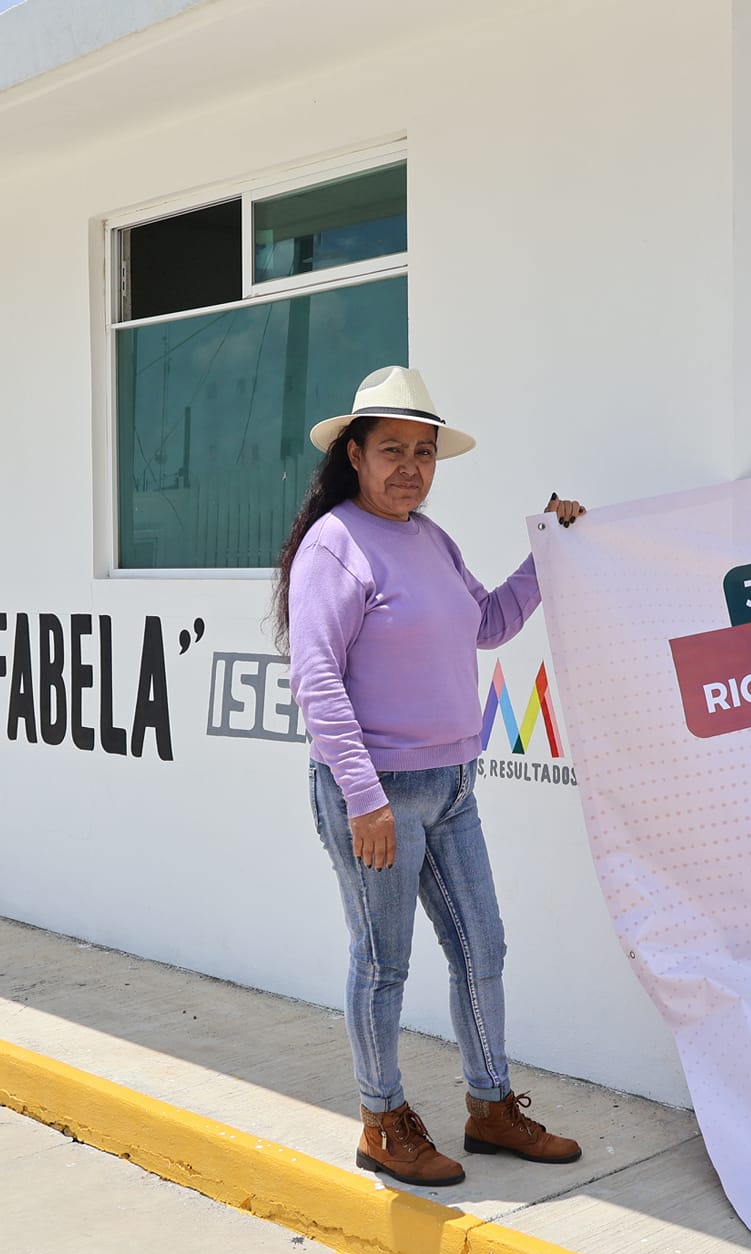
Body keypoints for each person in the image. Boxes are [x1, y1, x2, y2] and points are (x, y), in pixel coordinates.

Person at [273, 365, 587, 1187]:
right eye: (392, 451)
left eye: (424, 451)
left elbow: (487, 622)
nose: (410, 466)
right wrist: (365, 798)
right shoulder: (334, 544)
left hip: (452, 786)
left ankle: (490, 1107)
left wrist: (545, 550)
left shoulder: (430, 538)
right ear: (354, 453)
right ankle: (382, 1119)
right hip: (374, 790)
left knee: (482, 945)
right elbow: (316, 677)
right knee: (384, 962)